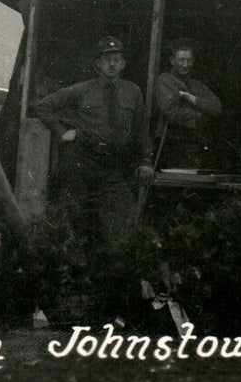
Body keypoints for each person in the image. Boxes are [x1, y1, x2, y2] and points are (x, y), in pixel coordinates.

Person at [34, 36, 154, 265]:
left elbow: (141, 130)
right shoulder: (82, 90)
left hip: (112, 166)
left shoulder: (132, 92)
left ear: (123, 64)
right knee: (72, 218)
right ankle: (70, 274)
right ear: (98, 63)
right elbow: (43, 106)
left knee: (125, 218)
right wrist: (61, 132)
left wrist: (146, 161)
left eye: (116, 59)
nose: (112, 64)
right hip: (81, 163)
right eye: (107, 59)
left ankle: (111, 273)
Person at [151, 39, 223, 170]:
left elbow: (216, 107)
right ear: (172, 60)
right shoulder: (165, 80)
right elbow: (170, 110)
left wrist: (192, 98)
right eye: (181, 60)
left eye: (189, 60)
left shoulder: (196, 85)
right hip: (172, 144)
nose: (185, 65)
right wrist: (199, 117)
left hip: (194, 145)